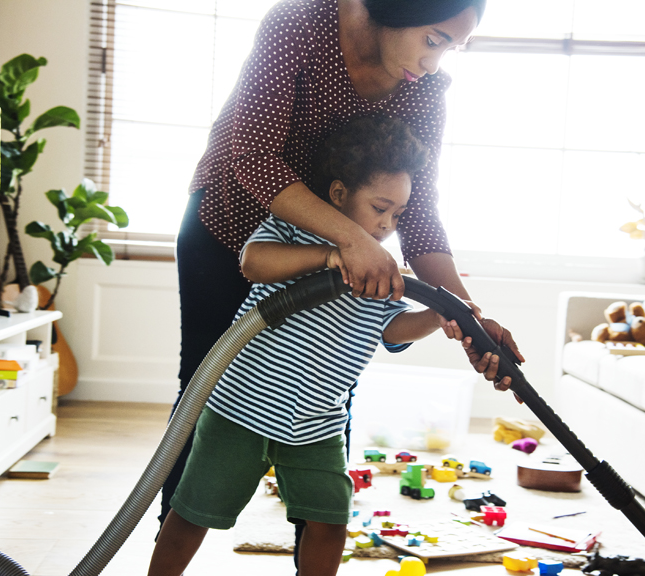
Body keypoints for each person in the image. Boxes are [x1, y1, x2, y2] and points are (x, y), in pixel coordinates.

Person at [164, 0, 526, 562]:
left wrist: (467, 316)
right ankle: (173, 545)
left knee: (329, 392)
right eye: (433, 39)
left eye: (450, 48)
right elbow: (254, 156)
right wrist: (349, 244)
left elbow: (420, 211)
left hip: (351, 242)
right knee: (204, 392)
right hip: (235, 222)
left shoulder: (425, 91)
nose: (435, 63)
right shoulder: (300, 26)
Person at [150, 116, 477, 576]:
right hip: (240, 412)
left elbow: (392, 330)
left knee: (329, 523)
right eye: (379, 208)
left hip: (318, 424)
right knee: (193, 514)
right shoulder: (295, 231)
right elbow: (253, 261)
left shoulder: (383, 270)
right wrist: (332, 256)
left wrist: (438, 315)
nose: (385, 225)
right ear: (340, 194)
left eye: (396, 216)